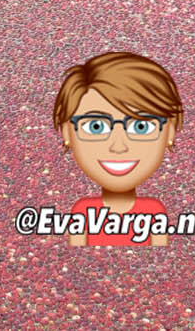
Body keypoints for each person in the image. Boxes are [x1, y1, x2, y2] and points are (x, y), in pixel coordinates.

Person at [52, 52, 184, 246]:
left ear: (170, 132)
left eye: (141, 126)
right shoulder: (82, 212)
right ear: (66, 133)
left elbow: (163, 255)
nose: (119, 146)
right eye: (96, 126)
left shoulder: (154, 211)